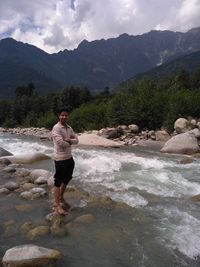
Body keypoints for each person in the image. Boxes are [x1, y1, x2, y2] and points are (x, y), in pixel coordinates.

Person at [51, 107, 79, 215]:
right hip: (60, 159)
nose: (64, 117)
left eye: (66, 115)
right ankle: (57, 205)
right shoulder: (56, 128)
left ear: (68, 116)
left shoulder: (69, 128)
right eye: (62, 115)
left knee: (67, 179)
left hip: (69, 158)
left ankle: (61, 197)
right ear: (59, 116)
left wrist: (70, 140)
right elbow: (61, 143)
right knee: (58, 182)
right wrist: (70, 142)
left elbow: (77, 140)